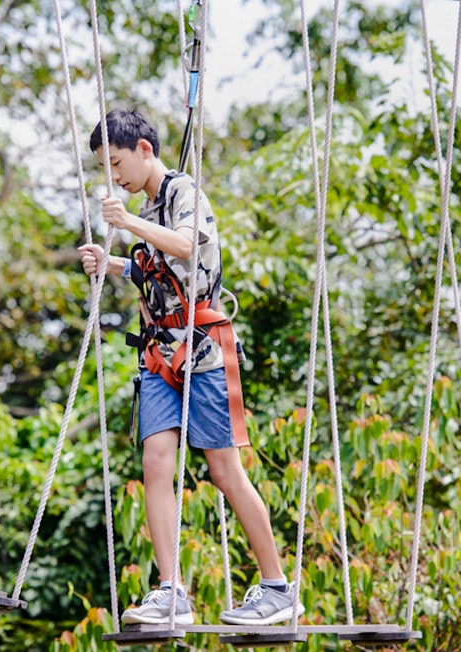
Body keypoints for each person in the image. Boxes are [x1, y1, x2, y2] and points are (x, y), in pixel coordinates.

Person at [78, 107, 304, 627]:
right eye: (105, 168)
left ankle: (277, 587)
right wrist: (109, 261)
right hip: (159, 353)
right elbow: (156, 265)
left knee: (224, 469)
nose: (114, 176)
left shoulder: (183, 194)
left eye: (116, 163)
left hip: (201, 350)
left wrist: (126, 222)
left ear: (144, 150)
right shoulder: (146, 207)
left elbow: (187, 244)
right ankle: (170, 589)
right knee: (156, 461)